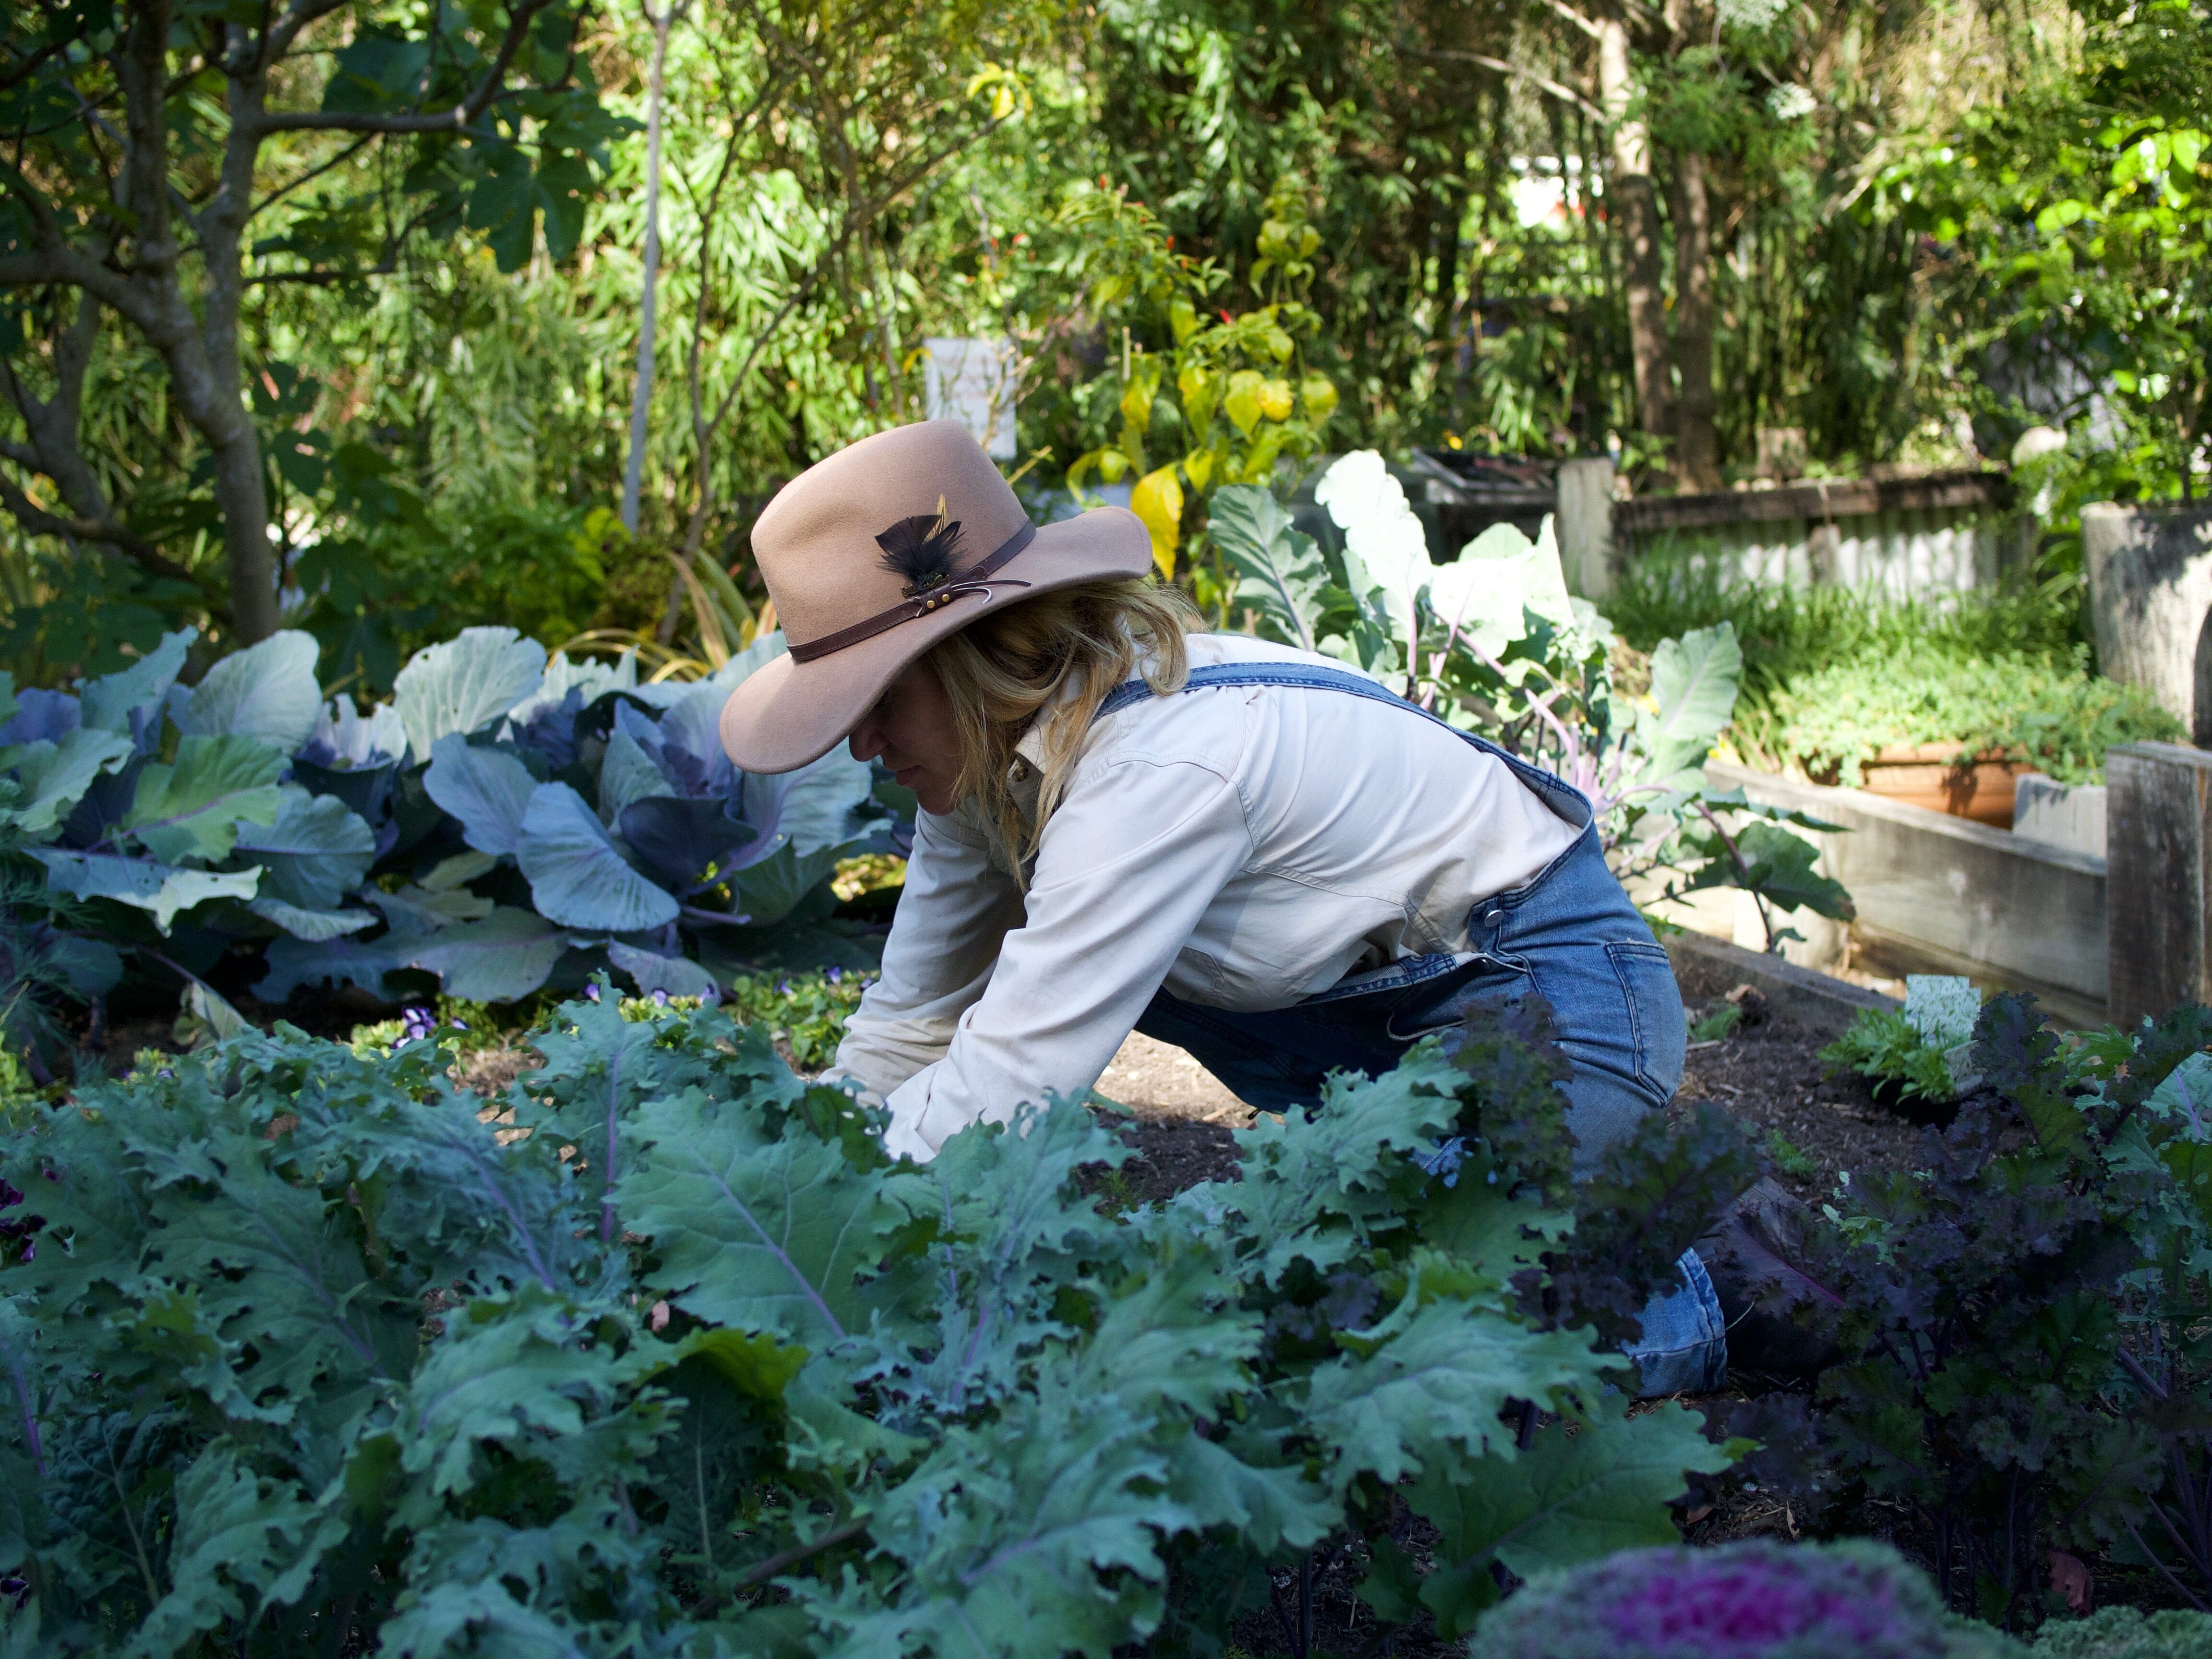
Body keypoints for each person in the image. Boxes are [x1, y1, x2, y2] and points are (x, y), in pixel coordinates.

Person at [718, 420, 1721, 1394]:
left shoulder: (1156, 771)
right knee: (1335, 1299)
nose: (860, 745)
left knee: (1393, 1354)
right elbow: (911, 1028)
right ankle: (1578, 1202)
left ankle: (1723, 1283)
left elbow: (1006, 1089)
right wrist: (780, 1196)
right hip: (1399, 1031)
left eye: (876, 699)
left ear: (971, 654)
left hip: (1560, 1010)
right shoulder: (988, 770)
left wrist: (800, 1256)